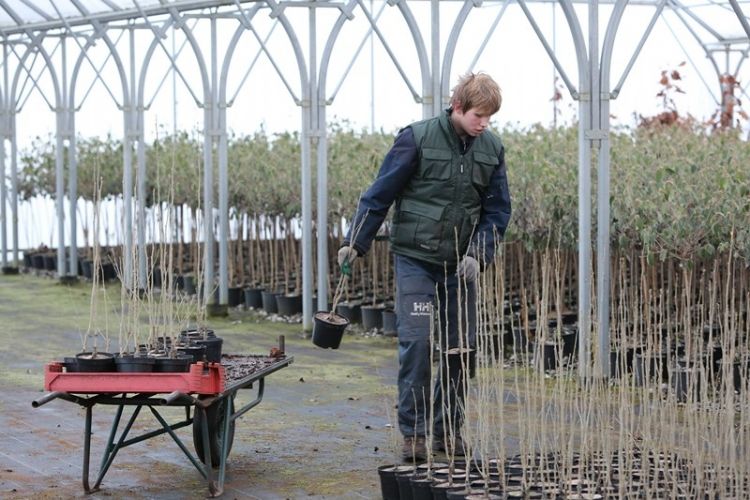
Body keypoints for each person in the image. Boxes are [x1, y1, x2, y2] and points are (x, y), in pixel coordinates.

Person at [338, 72, 511, 462]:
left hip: (459, 265)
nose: (484, 124)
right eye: (478, 115)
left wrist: (478, 254)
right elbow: (380, 194)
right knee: (416, 344)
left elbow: (498, 211)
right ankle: (414, 434)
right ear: (457, 106)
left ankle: (447, 432)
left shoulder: (491, 149)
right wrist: (355, 242)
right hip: (415, 258)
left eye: (489, 117)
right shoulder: (416, 138)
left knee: (459, 350)